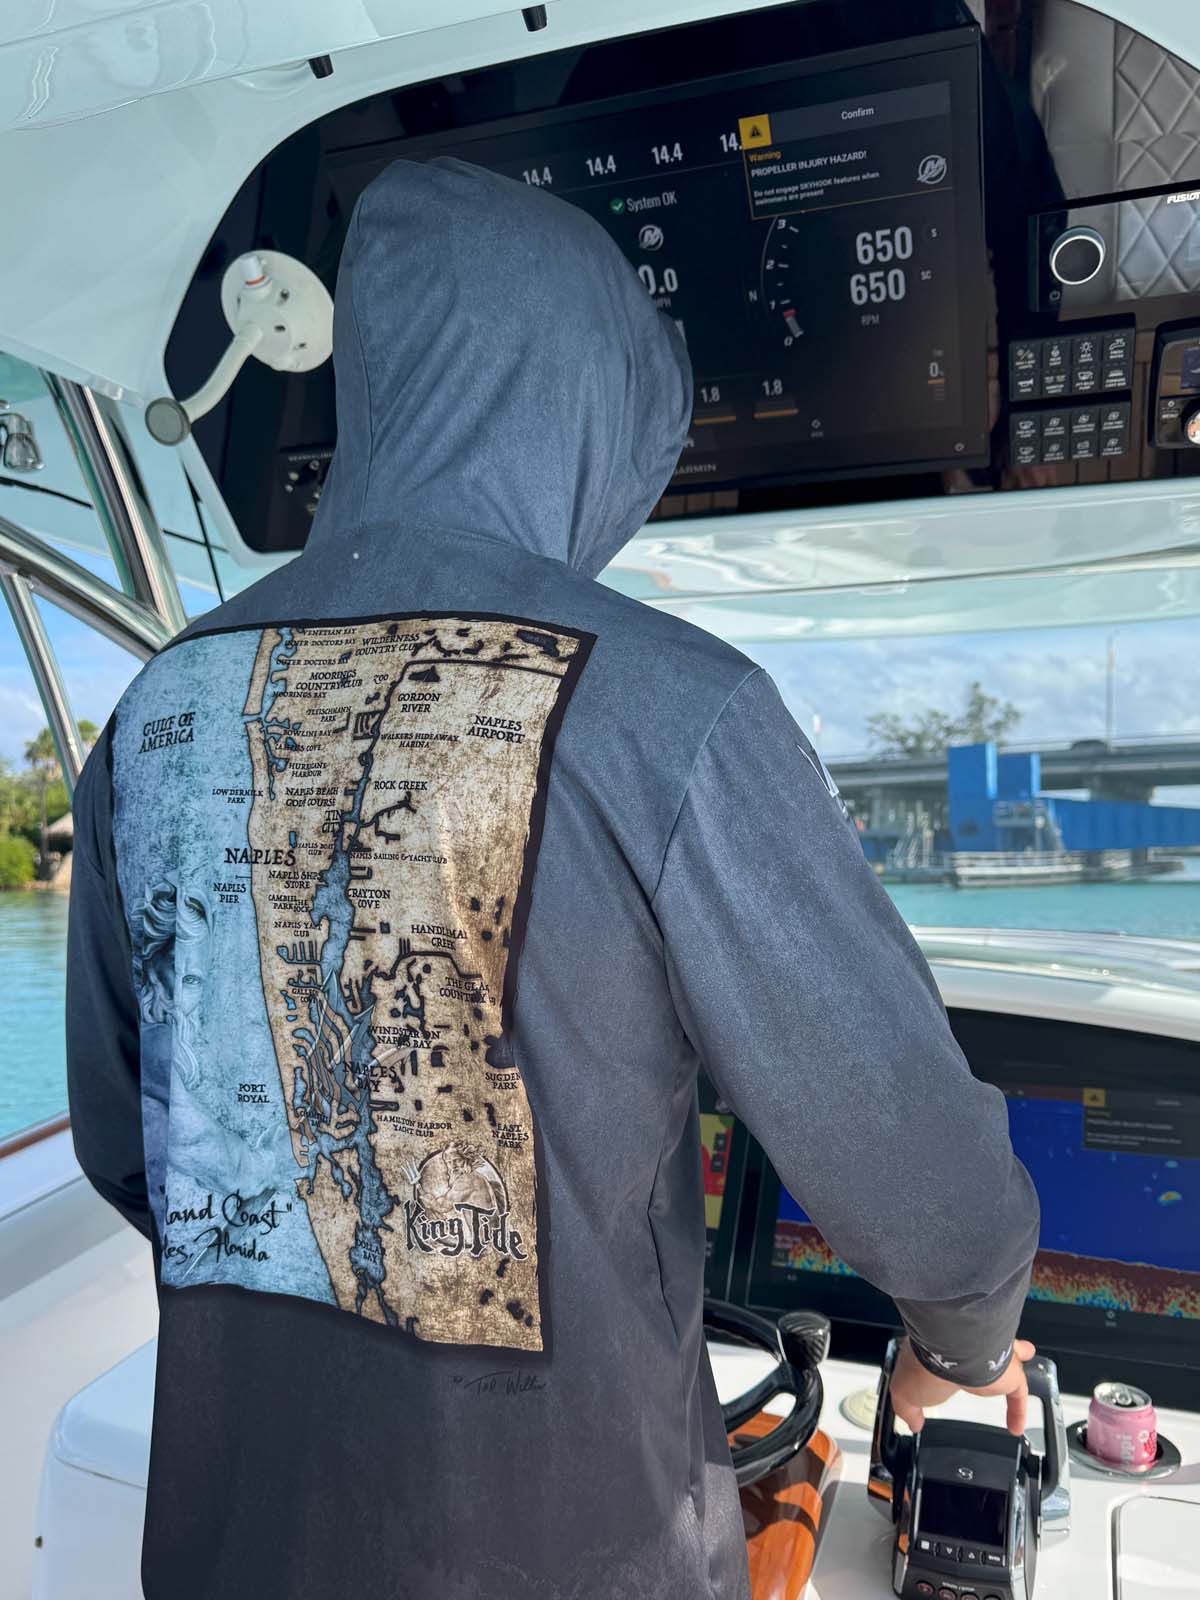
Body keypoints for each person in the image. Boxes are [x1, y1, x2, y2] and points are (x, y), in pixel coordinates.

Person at [67, 158, 1039, 1600]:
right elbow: (920, 1173)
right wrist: (958, 1351)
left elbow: (129, 1148)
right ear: (594, 406)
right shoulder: (671, 706)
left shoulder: (156, 709)